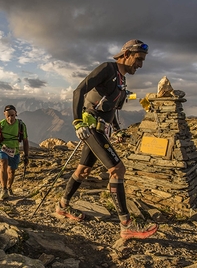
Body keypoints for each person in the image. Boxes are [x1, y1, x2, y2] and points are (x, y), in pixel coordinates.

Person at [55, 39, 158, 240]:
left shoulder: (121, 80)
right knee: (117, 169)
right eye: (138, 59)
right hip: (91, 127)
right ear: (126, 54)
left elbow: (111, 111)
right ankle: (127, 225)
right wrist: (78, 122)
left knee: (83, 170)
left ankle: (62, 206)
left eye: (143, 60)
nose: (140, 65)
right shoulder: (108, 69)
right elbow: (79, 90)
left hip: (102, 130)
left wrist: (117, 131)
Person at [0, 105, 29, 200]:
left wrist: (26, 155)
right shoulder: (0, 125)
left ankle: (9, 187)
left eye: (12, 115)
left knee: (12, 170)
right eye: (8, 116)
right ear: (4, 115)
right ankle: (4, 189)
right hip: (2, 148)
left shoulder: (21, 125)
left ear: (16, 113)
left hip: (14, 150)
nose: (10, 118)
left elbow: (25, 141)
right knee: (3, 163)